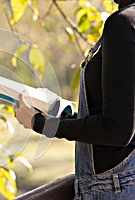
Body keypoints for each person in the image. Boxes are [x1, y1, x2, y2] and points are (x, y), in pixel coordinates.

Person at [14, 0, 135, 199]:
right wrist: (64, 118)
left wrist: (40, 123)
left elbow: (117, 132)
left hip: (115, 188)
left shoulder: (123, 24)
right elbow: (125, 119)